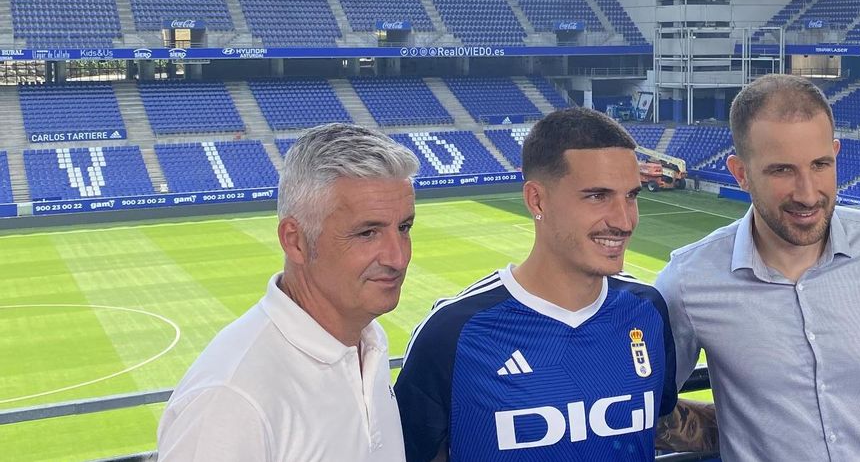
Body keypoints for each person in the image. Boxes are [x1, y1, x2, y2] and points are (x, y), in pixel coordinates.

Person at [655, 74, 860, 462]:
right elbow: (647, 406)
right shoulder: (688, 281)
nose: (808, 193)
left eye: (820, 164)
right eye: (782, 170)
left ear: (836, 153)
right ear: (740, 172)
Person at [395, 108, 703, 461]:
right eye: (597, 196)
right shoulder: (454, 332)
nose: (624, 220)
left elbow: (658, 420)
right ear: (536, 199)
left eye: (631, 196)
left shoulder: (646, 309)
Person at [157, 123, 420, 461]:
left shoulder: (368, 342)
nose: (398, 257)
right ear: (294, 240)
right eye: (368, 233)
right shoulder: (230, 400)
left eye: (404, 228)